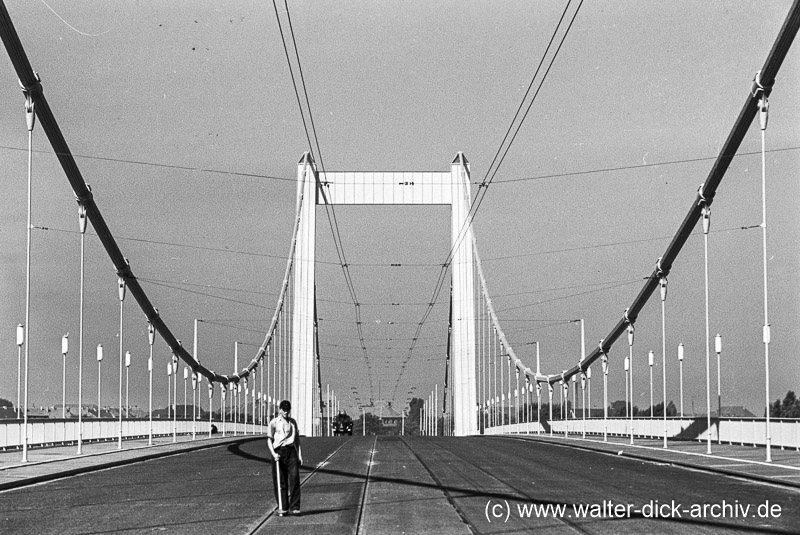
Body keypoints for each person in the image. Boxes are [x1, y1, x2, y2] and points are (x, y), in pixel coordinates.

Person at [267, 399, 303, 516]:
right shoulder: (274, 422)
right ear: (280, 410)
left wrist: (300, 455)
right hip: (278, 451)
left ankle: (295, 507)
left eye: (288, 410)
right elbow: (269, 439)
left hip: (291, 451)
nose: (286, 412)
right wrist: (273, 454)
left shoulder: (293, 422)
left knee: (295, 478)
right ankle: (283, 507)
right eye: (284, 410)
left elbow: (297, 440)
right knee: (280, 480)